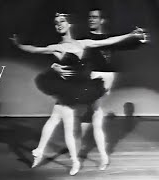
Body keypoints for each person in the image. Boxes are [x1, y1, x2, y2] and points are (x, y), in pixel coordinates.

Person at [10, 12, 147, 176]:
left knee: (93, 118)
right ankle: (67, 159)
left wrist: (131, 35)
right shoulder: (57, 47)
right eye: (56, 23)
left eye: (62, 21)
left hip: (87, 87)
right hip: (69, 89)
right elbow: (34, 50)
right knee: (63, 120)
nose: (59, 24)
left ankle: (100, 157)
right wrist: (19, 45)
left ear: (69, 24)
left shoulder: (83, 43)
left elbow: (108, 41)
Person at [50, 9, 147, 171]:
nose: (91, 20)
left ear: (102, 20)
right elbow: (65, 54)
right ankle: (84, 149)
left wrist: (135, 36)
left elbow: (126, 43)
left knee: (95, 117)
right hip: (90, 78)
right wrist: (55, 66)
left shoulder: (109, 39)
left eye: (95, 17)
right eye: (90, 17)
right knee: (87, 118)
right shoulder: (85, 40)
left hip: (104, 79)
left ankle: (102, 156)